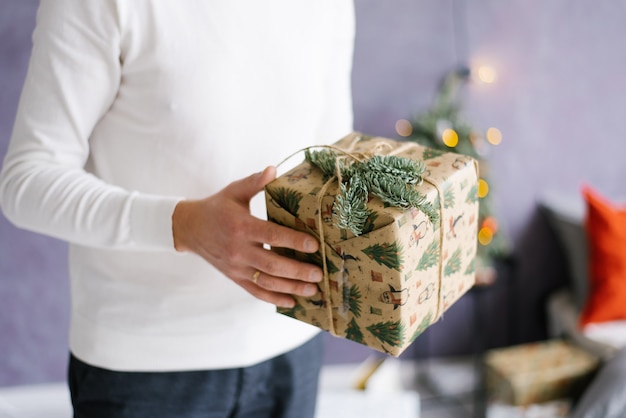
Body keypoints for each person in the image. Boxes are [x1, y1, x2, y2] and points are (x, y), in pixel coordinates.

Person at [0, 1, 355, 417]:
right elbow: (26, 181)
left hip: (293, 344)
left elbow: (331, 157)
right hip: (144, 366)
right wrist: (182, 225)